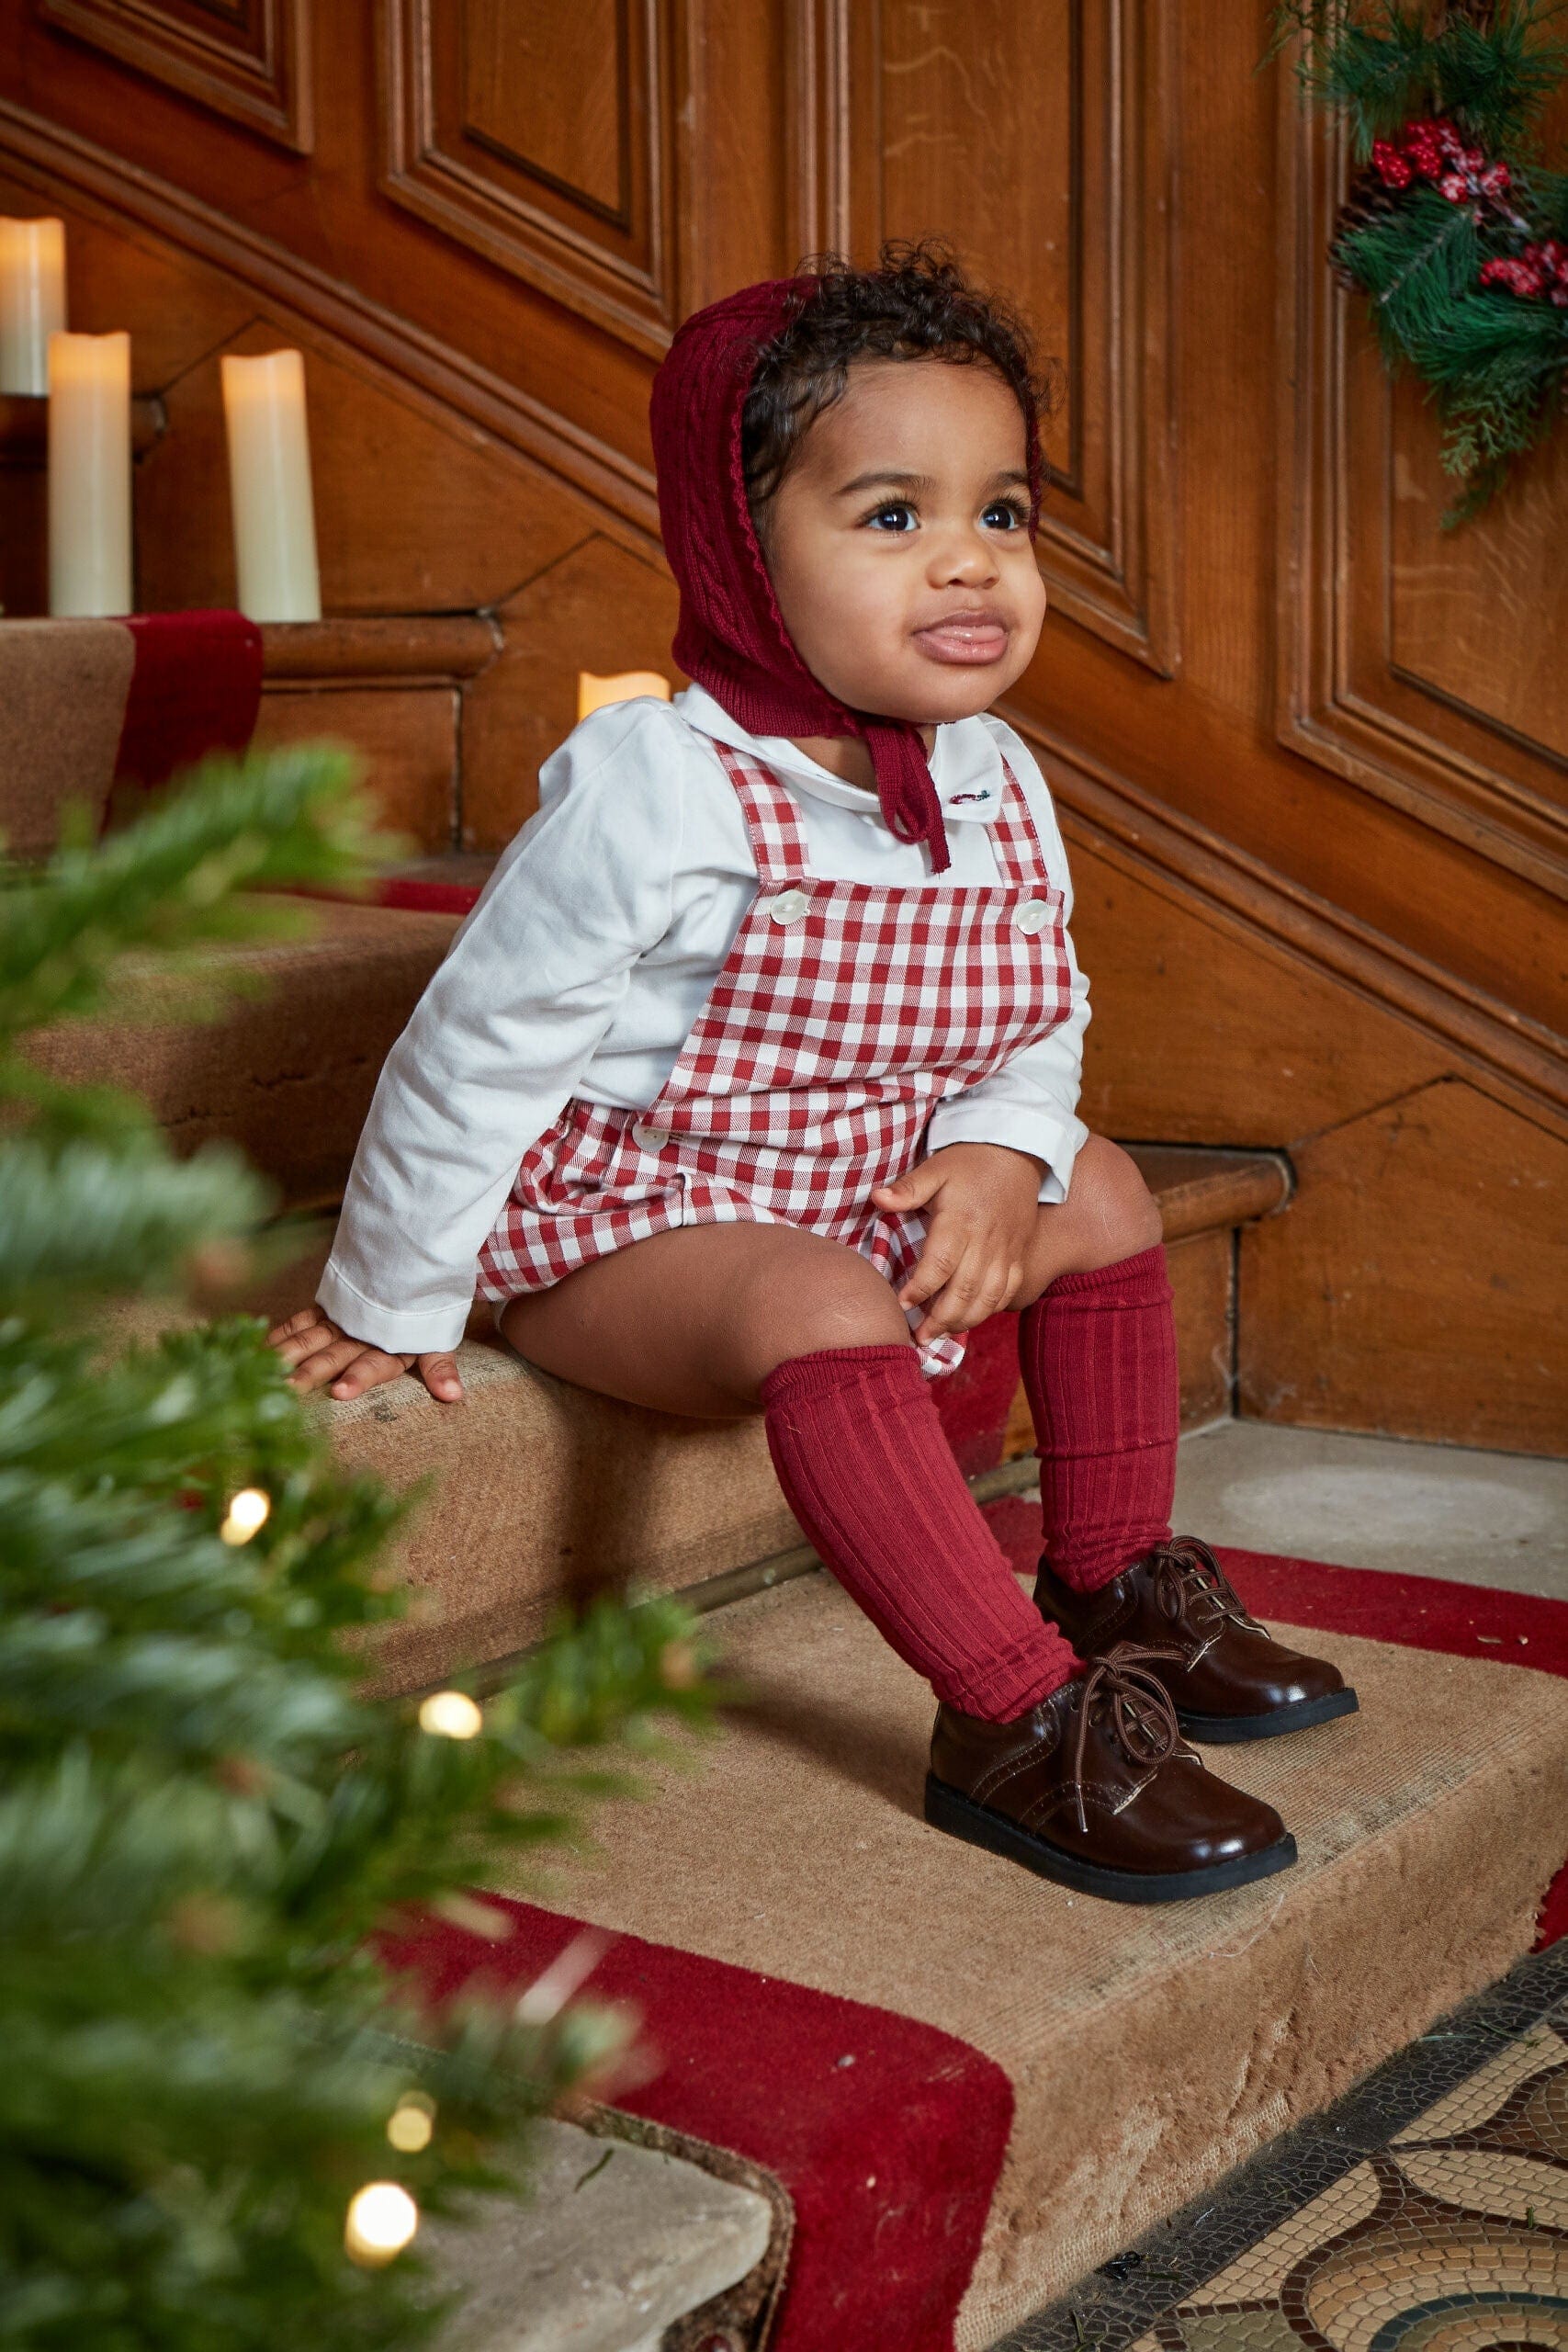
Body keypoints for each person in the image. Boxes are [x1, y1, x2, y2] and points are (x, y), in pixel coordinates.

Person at [270, 242, 1357, 1905]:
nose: (970, 562)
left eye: (1004, 513)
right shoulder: (662, 783)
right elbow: (471, 1050)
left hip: (852, 1174)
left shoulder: (994, 775)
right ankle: (1009, 1716)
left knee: (1104, 1186)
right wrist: (391, 1293)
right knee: (816, 1300)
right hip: (631, 1217)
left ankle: (1115, 1580)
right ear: (742, 547)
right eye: (893, 515)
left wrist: (1001, 1150)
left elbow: (1039, 1007)